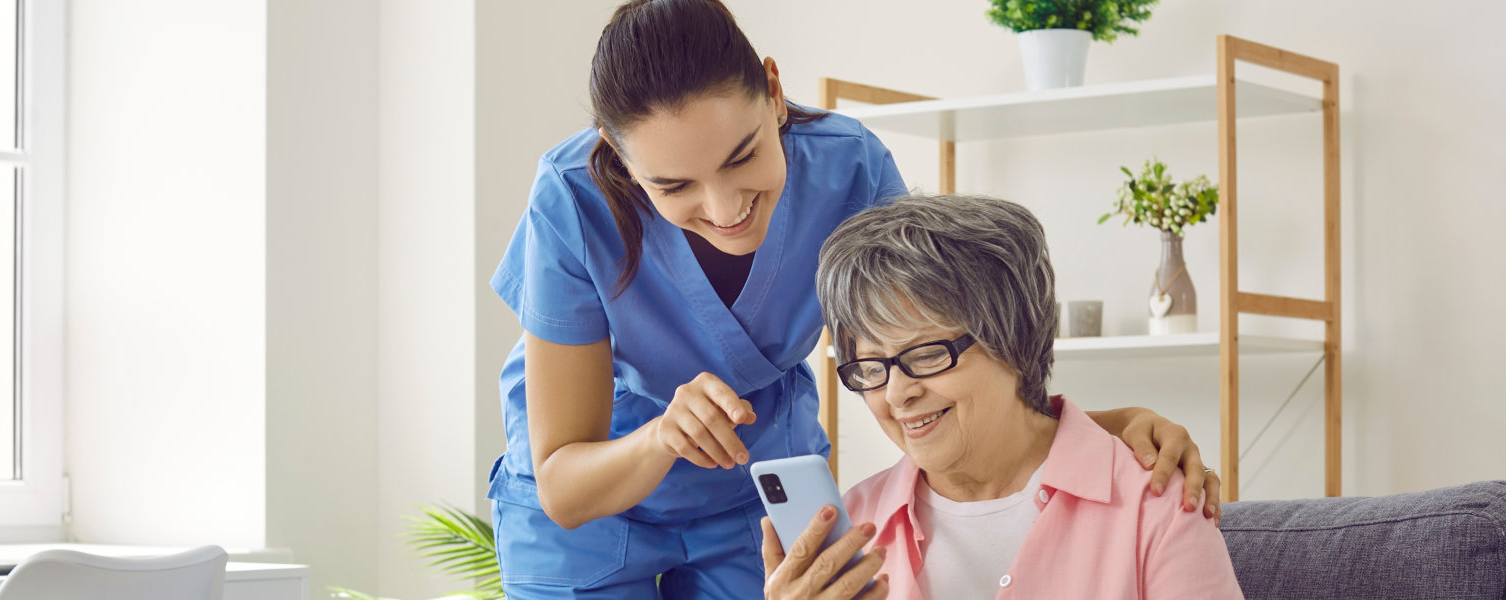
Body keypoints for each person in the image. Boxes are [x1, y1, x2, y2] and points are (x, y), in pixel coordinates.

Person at [489, 1, 1222, 597]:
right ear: (620, 161)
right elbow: (562, 486)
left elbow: (943, 355)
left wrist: (1099, 431)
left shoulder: (848, 166)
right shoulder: (572, 200)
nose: (724, 207)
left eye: (742, 155)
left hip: (758, 484)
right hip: (591, 505)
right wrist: (662, 436)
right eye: (674, 187)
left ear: (774, 93)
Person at [762, 194, 1244, 599]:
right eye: (870, 367)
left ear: (1013, 341)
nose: (897, 393)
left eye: (927, 355)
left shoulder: (1154, 506)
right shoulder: (851, 528)